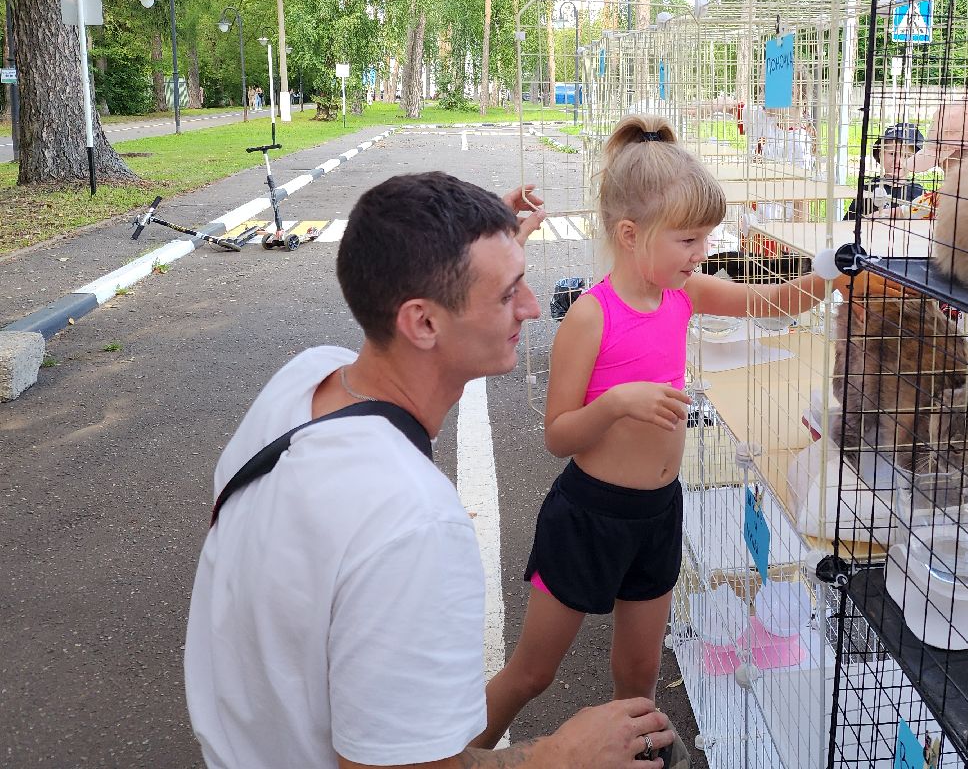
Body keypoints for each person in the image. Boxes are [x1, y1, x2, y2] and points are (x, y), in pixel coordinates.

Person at [184, 172, 677, 769]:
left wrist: (479, 244)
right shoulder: (413, 522)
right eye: (506, 293)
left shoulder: (305, 379)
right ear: (422, 322)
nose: (531, 308)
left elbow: (404, 279)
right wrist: (560, 756)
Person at [478, 115, 829, 760]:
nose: (701, 254)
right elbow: (558, 435)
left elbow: (767, 301)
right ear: (630, 235)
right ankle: (452, 753)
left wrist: (834, 278)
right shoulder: (591, 316)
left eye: (705, 240)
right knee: (533, 673)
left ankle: (631, 753)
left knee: (637, 674)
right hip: (590, 515)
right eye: (689, 240)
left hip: (658, 513)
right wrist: (616, 404)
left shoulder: (684, 293)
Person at [845, 121, 928, 219]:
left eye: (907, 156)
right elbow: (850, 222)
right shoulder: (868, 189)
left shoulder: (918, 192)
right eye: (892, 154)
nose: (898, 161)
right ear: (880, 155)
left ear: (916, 160)